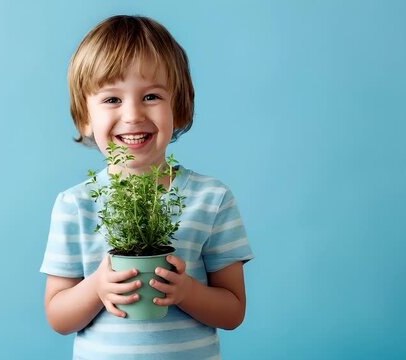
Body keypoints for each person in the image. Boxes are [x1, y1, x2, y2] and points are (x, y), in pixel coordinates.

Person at [40, 15, 254, 359]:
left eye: (151, 96)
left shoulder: (212, 199)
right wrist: (97, 287)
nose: (133, 114)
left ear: (179, 109)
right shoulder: (74, 205)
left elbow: (233, 312)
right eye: (112, 99)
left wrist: (186, 292)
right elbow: (58, 317)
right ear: (85, 116)